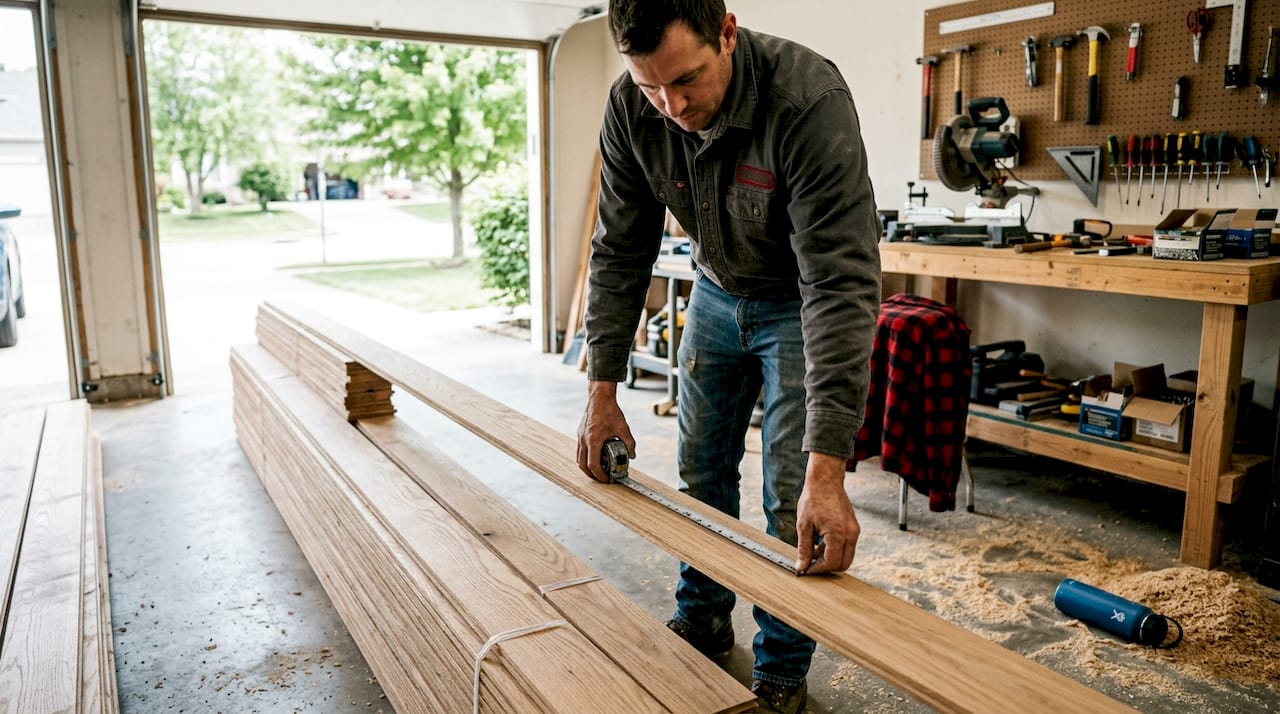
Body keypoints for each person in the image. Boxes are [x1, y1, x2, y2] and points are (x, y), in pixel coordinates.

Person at [574, 2, 881, 712]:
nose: (672, 106)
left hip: (798, 305)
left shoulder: (807, 101)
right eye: (652, 88)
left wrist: (828, 469)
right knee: (700, 470)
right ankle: (704, 622)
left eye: (687, 80)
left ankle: (779, 667)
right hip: (713, 293)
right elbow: (620, 249)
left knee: (789, 499)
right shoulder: (632, 106)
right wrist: (600, 393)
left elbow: (838, 285)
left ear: (729, 33)